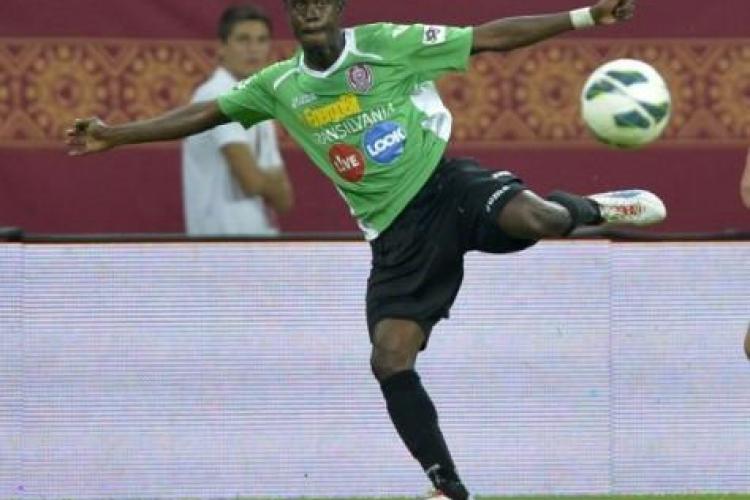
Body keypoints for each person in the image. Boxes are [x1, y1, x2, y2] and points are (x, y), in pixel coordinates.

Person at [66, 0, 665, 498]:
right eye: (299, 5)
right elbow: (207, 112)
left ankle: (597, 209)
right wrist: (116, 135)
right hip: (394, 236)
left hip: (444, 187)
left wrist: (584, 16)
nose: (310, 12)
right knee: (389, 357)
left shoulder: (384, 44)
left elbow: (488, 37)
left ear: (339, 9)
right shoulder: (279, 86)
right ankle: (447, 487)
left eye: (320, 3)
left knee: (540, 218)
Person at [182, 5, 293, 236]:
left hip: (261, 240)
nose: (253, 49)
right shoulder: (216, 94)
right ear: (222, 47)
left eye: (261, 40)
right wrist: (267, 182)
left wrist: (265, 182)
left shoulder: (259, 104)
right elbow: (251, 181)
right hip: (220, 244)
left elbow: (285, 199)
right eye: (243, 39)